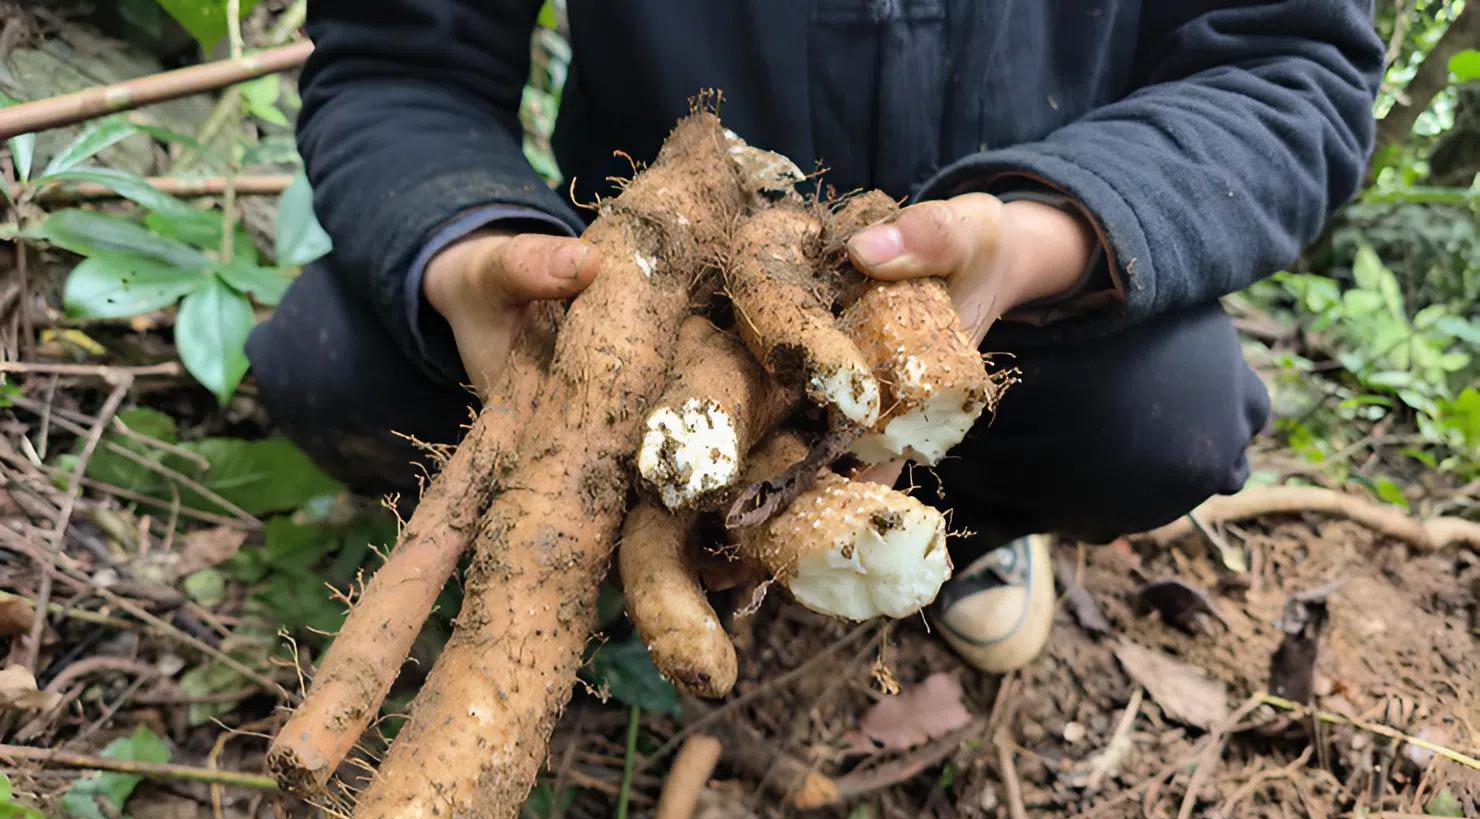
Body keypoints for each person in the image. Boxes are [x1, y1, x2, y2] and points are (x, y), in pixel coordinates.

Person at [247, 2, 1384, 673]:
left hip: (994, 292)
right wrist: (468, 244)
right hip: (630, 294)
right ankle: (605, 524)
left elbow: (1289, 68)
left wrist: (1044, 233)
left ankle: (960, 528)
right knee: (329, 354)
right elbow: (402, 57)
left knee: (1165, 416)